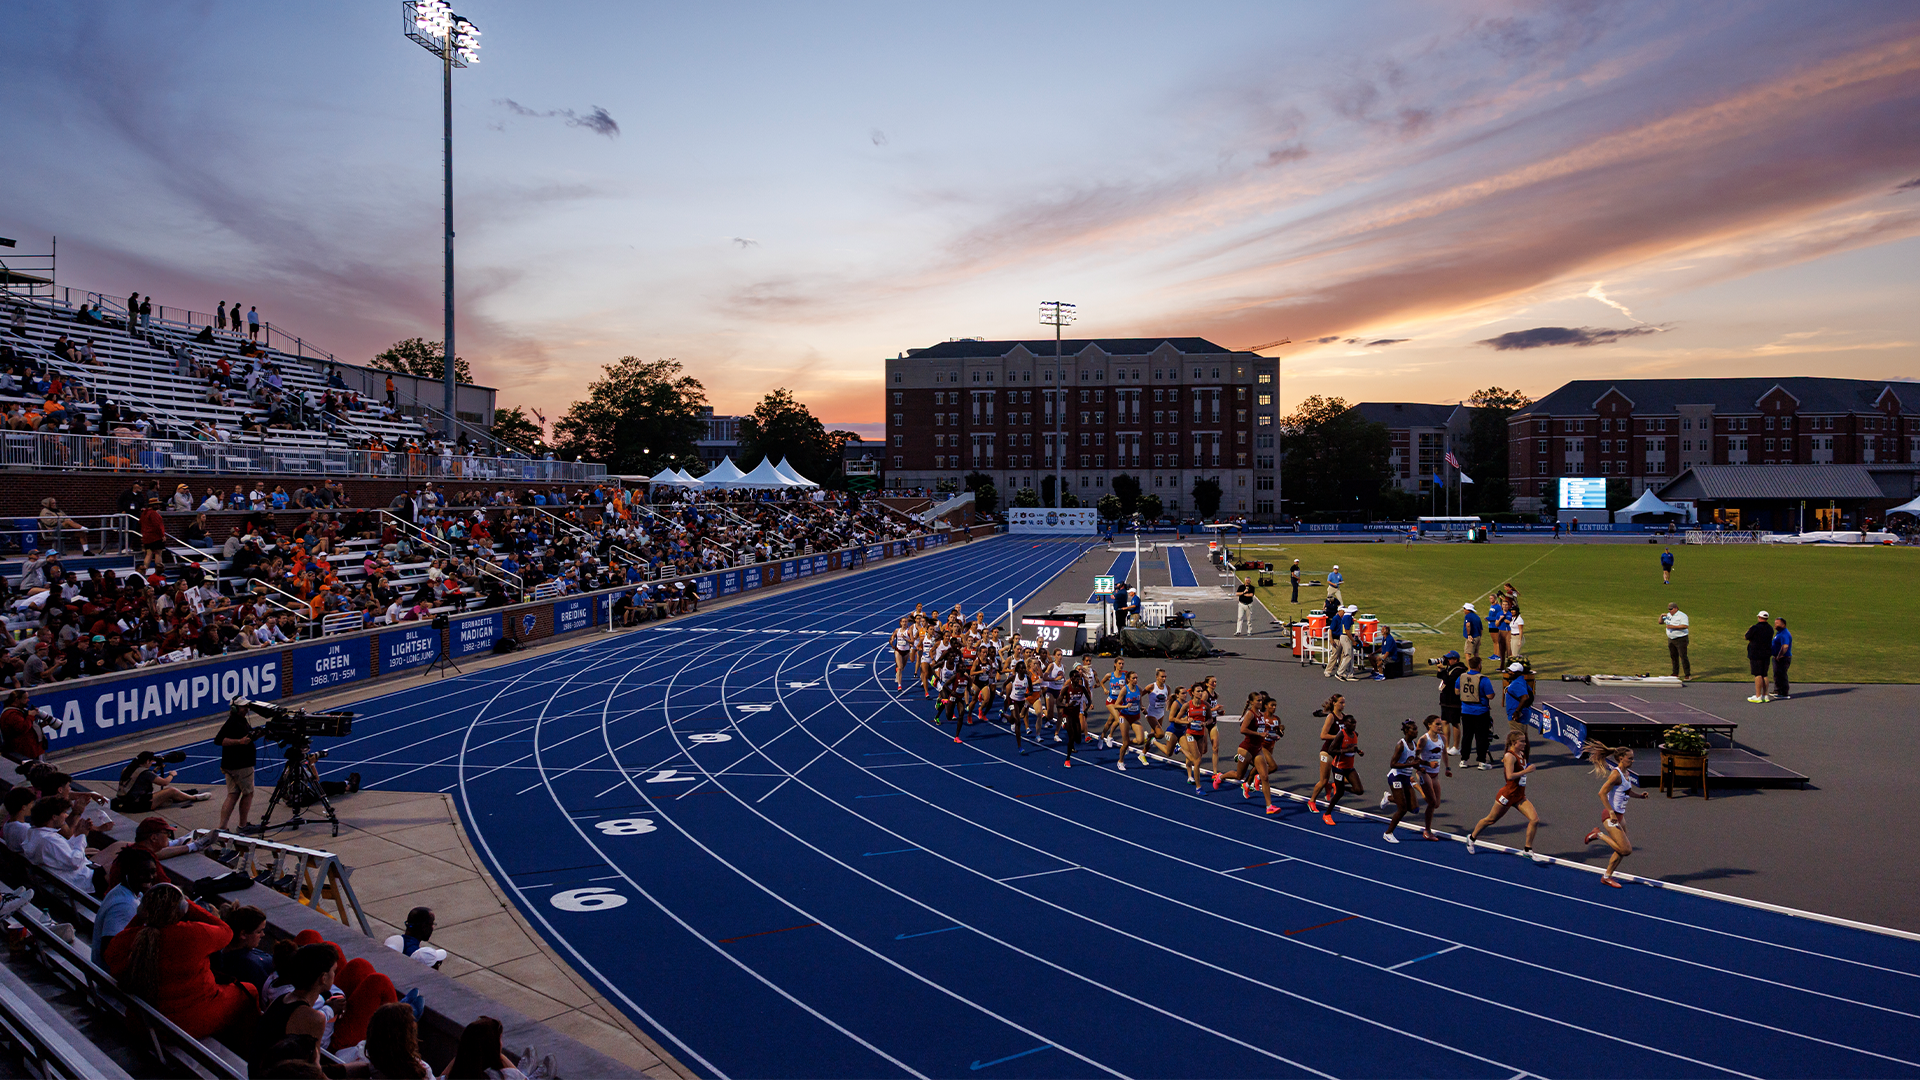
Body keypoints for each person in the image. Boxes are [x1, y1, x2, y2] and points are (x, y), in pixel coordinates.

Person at [105, 884, 259, 1040]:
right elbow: (227, 932)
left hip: (141, 1023)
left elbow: (111, 955)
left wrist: (143, 915)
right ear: (182, 909)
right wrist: (190, 905)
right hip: (189, 1023)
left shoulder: (128, 939)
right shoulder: (193, 934)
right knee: (250, 991)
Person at [253, 943, 339, 1071]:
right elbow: (314, 1071)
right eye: (334, 971)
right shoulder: (314, 1019)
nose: (335, 975)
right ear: (323, 978)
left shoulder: (281, 999)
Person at [1467, 731, 1547, 862]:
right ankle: (1472, 837)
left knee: (1535, 820)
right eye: (1522, 741)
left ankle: (1527, 849)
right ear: (1513, 743)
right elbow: (1509, 776)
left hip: (1519, 796)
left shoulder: (1521, 754)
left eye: (1525, 741)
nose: (1524, 744)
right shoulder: (1510, 756)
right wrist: (1526, 771)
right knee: (1491, 820)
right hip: (1507, 795)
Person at [1583, 741, 1649, 888]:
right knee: (1626, 850)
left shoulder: (1626, 773)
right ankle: (1598, 834)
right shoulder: (1615, 774)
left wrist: (1639, 796)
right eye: (1630, 758)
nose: (1632, 761)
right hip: (1610, 816)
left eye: (1632, 758)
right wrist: (1611, 813)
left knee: (1619, 850)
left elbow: (1626, 791)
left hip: (1620, 816)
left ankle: (1607, 876)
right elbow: (1601, 793)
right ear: (1620, 758)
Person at [92, 847, 160, 966]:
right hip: (110, 974)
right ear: (129, 873)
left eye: (153, 871)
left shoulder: (124, 890)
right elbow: (108, 950)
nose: (150, 877)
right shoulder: (124, 905)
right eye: (142, 873)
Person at [23, 796, 101, 894]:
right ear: (54, 817)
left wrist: (77, 835)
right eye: (63, 813)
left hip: (72, 877)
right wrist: (81, 836)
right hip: (83, 881)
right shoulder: (49, 840)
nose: (65, 816)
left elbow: (63, 851)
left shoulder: (35, 833)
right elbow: (74, 862)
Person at [214, 699, 263, 832]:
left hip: (231, 765)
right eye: (243, 707)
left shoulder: (240, 720)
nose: (246, 709)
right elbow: (218, 740)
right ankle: (243, 826)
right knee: (248, 793)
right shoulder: (233, 722)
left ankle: (222, 827)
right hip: (240, 765)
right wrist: (239, 741)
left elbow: (247, 735)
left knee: (233, 794)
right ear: (235, 708)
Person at [445, 1015, 531, 1080]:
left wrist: (465, 1051)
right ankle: (525, 1072)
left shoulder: (454, 1076)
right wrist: (499, 1057)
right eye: (499, 1040)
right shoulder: (508, 1075)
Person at [212, 904, 276, 989]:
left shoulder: (226, 951)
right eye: (258, 932)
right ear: (243, 934)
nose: (262, 935)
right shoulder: (248, 966)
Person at [1380, 719, 1422, 843]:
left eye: (1416, 729)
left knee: (1414, 809)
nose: (1416, 731)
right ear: (1407, 731)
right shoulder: (1401, 745)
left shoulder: (1414, 744)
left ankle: (1389, 798)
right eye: (1414, 729)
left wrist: (1421, 768)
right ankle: (1388, 833)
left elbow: (1412, 761)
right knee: (1402, 809)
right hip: (1396, 777)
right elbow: (1393, 764)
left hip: (1405, 777)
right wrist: (1410, 764)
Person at [1413, 715, 1450, 841]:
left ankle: (1417, 787)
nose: (1440, 727)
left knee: (1436, 804)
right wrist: (1427, 764)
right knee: (1432, 802)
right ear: (1429, 725)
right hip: (1424, 772)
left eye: (1441, 724)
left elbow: (1444, 753)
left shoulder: (1443, 739)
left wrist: (1447, 768)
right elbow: (1414, 758)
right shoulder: (1424, 740)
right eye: (1437, 724)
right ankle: (1427, 831)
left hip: (1435, 774)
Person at [1455, 658, 1495, 769]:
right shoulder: (1483, 679)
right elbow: (1490, 695)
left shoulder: (1461, 677)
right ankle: (1482, 761)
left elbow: (1457, 691)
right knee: (1481, 736)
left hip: (1466, 711)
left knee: (1467, 736)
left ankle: (1464, 759)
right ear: (1479, 665)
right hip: (1481, 711)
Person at [384, 906, 450, 969]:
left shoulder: (394, 943)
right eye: (432, 924)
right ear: (424, 927)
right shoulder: (418, 955)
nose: (432, 928)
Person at [2, 689, 47, 763]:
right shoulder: (11, 714)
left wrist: (40, 725)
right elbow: (23, 728)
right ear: (17, 700)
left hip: (34, 749)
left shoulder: (21, 711)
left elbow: (28, 727)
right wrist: (31, 716)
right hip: (24, 753)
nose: (28, 700)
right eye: (25, 698)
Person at [1435, 649, 1465, 761]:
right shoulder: (1450, 668)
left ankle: (1456, 747)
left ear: (1455, 659)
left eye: (1449, 659)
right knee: (1444, 721)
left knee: (1455, 723)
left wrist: (1443, 671)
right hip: (1445, 699)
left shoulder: (1460, 670)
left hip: (1454, 700)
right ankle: (1446, 745)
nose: (1447, 661)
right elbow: (1441, 678)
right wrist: (1440, 670)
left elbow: (1448, 680)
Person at [1746, 610, 1773, 703]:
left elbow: (1747, 636)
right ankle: (1765, 695)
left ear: (1759, 617)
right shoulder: (1770, 628)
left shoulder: (1755, 628)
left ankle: (1758, 696)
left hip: (1756, 654)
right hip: (1766, 653)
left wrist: (1749, 630)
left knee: (1758, 674)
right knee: (1764, 674)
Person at [1502, 662, 1534, 741]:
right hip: (1523, 713)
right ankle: (1524, 753)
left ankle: (1516, 753)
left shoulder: (1517, 683)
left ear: (1519, 672)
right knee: (1524, 738)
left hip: (1517, 716)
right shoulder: (1521, 681)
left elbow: (1525, 697)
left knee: (1517, 740)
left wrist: (1517, 711)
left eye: (1512, 671)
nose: (1510, 672)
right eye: (1509, 670)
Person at [1660, 603, 1691, 680]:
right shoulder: (1668, 615)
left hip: (1681, 638)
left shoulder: (1682, 616)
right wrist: (1661, 616)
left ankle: (1687, 674)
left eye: (1671, 609)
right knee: (1673, 656)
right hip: (1671, 639)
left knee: (1683, 656)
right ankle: (1675, 673)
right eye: (1669, 609)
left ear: (1676, 608)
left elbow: (1685, 626)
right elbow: (1660, 622)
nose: (1669, 610)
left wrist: (1673, 627)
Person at [1771, 616, 1793, 700]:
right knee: (1777, 674)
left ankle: (1784, 692)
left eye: (1777, 623)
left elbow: (1785, 647)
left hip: (1783, 658)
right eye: (1775, 623)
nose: (1775, 625)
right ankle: (1777, 690)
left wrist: (1779, 656)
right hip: (1778, 657)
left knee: (1782, 674)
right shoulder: (1780, 632)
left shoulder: (1785, 634)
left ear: (1783, 624)